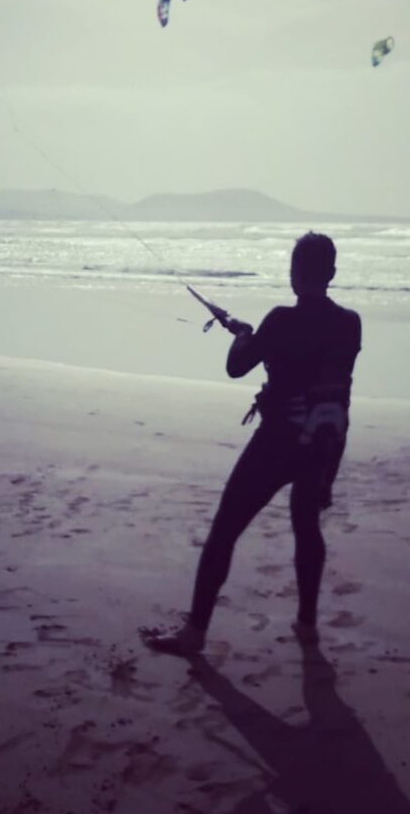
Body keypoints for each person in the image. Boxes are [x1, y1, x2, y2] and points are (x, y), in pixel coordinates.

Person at [144, 232, 362, 655]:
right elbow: (330, 376)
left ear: (294, 274)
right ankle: (307, 624)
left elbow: (236, 366)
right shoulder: (349, 323)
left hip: (278, 443)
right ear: (331, 273)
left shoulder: (281, 319)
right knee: (306, 527)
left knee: (224, 530)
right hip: (321, 442)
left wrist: (243, 334)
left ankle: (195, 633)